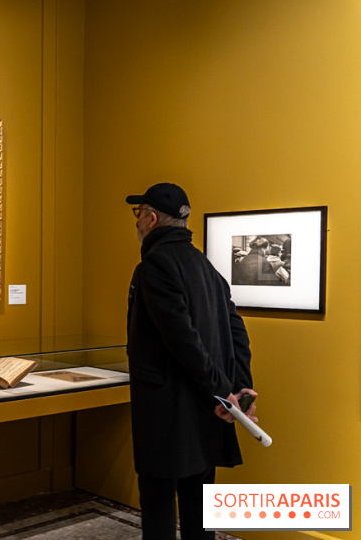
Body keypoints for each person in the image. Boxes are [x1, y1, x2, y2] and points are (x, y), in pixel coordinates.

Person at [125, 183, 258, 540]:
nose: (137, 222)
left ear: (151, 219)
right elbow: (235, 330)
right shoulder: (204, 264)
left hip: (166, 409)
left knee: (158, 500)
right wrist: (238, 390)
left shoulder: (154, 265)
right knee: (200, 500)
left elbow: (182, 339)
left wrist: (224, 393)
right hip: (206, 407)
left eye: (138, 214)